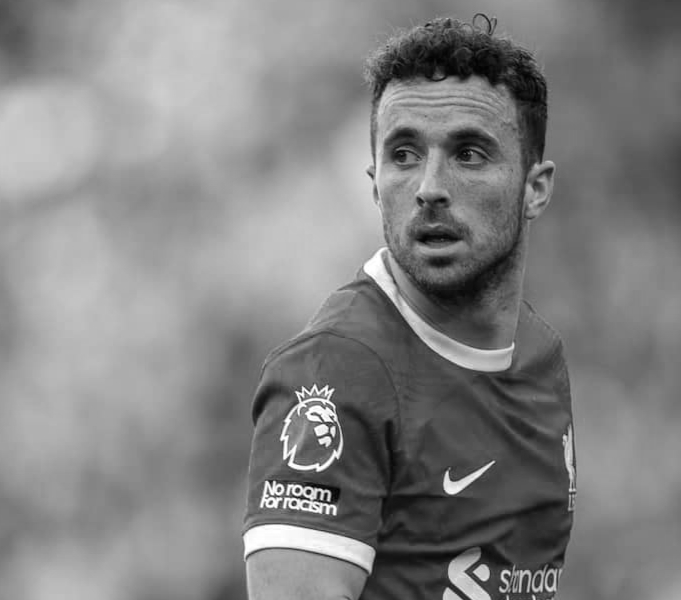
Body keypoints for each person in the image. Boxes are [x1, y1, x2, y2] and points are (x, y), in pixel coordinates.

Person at [242, 14, 576, 600]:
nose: (429, 187)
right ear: (375, 183)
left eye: (468, 154)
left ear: (535, 187)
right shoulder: (334, 372)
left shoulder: (540, 355)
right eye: (404, 154)